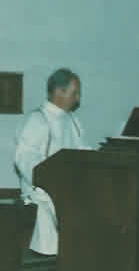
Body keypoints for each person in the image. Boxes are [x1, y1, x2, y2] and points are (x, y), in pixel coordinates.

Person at [14, 68, 90, 256]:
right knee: (58, 208)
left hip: (68, 185)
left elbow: (83, 153)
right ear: (58, 92)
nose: (78, 98)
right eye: (74, 93)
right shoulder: (38, 119)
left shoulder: (73, 120)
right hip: (41, 189)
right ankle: (49, 257)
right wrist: (54, 181)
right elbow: (24, 159)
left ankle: (78, 260)